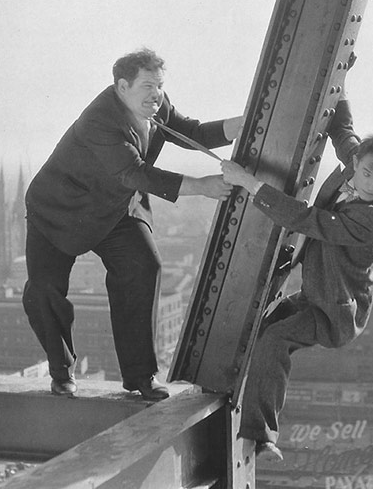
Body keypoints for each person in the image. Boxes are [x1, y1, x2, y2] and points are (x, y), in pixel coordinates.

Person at [23, 48, 243, 400]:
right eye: (148, 86)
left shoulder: (154, 105)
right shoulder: (98, 119)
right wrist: (203, 187)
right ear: (122, 86)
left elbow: (193, 132)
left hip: (116, 208)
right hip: (62, 211)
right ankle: (61, 371)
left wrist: (242, 124)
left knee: (143, 266)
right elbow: (133, 172)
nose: (156, 94)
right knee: (45, 289)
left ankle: (141, 377)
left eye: (159, 85)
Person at [220, 97, 373, 459]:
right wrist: (341, 89)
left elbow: (308, 220)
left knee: (274, 340)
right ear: (356, 164)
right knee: (259, 330)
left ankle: (261, 436)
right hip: (317, 292)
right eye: (367, 174)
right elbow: (343, 131)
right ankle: (241, 401)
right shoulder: (357, 160)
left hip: (336, 312)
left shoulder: (370, 221)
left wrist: (248, 183)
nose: (372, 185)